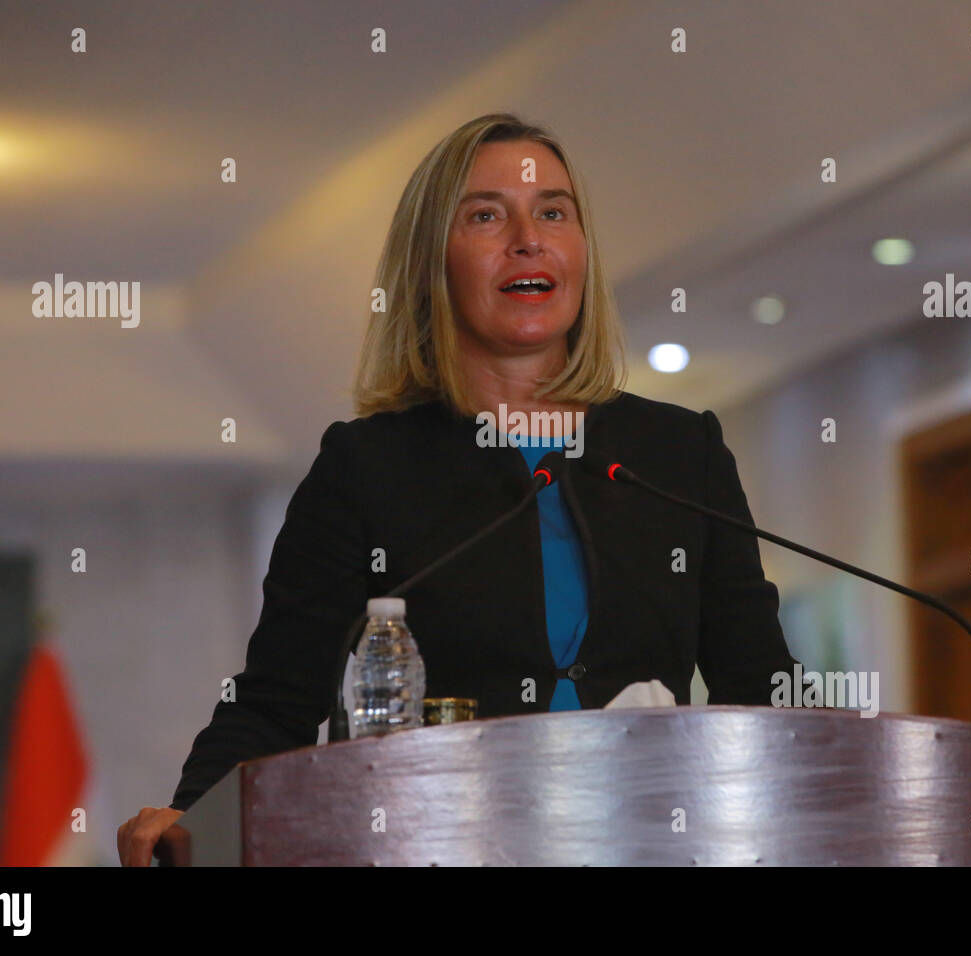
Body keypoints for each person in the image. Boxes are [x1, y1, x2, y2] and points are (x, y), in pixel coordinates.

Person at [117, 113, 801, 866]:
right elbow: (276, 701)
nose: (528, 239)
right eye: (485, 216)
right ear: (431, 264)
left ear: (581, 252)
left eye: (552, 213)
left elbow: (760, 684)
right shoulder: (366, 468)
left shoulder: (677, 452)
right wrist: (190, 811)